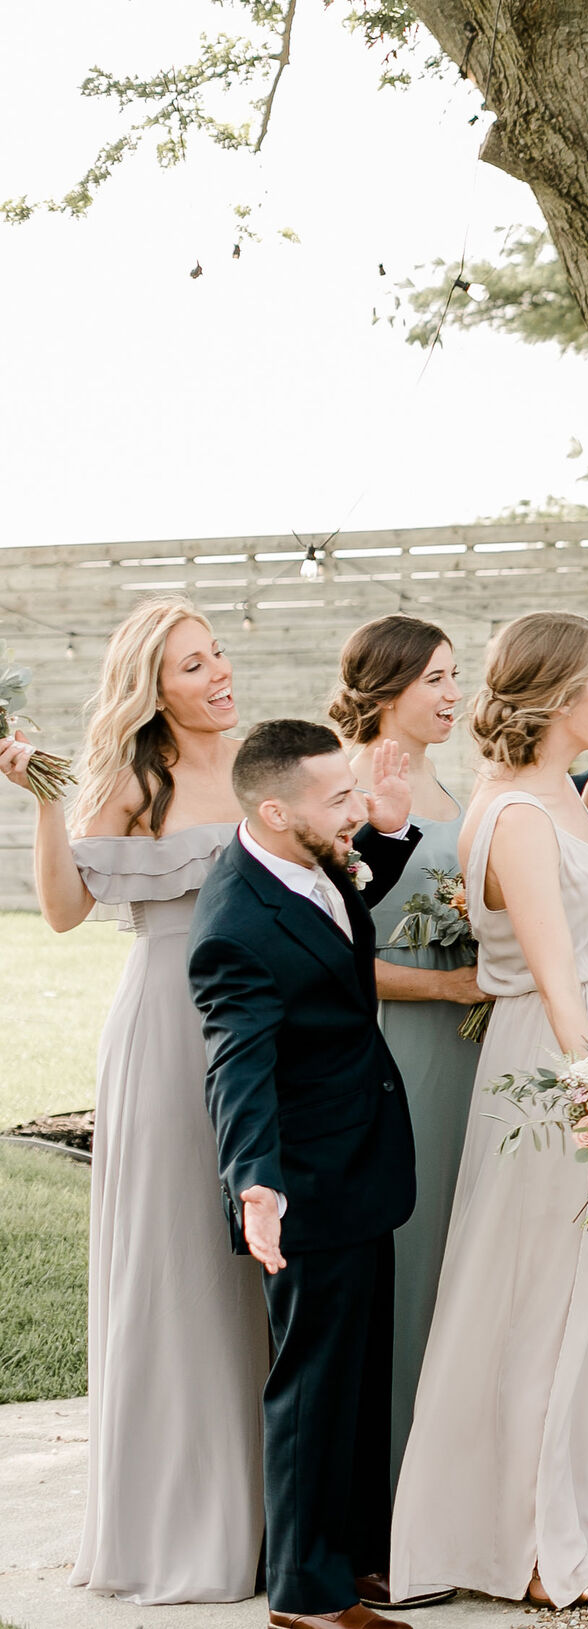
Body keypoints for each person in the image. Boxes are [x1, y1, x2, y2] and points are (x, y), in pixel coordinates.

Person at [388, 613, 588, 1607]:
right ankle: (532, 1540)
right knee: (551, 1302)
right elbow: (556, 976)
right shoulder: (511, 814)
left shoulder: (550, 791)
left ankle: (584, 1523)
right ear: (559, 699)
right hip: (567, 1065)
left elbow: (585, 878)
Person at [2, 599, 267, 1604]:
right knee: (180, 1264)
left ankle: (267, 1512)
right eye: (193, 665)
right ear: (152, 688)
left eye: (219, 654)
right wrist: (40, 798)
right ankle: (180, 1528)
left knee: (260, 1270)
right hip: (168, 1028)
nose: (218, 674)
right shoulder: (127, 777)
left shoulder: (254, 761)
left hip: (266, 1028)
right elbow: (68, 909)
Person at [190, 718, 425, 1629]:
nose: (355, 810)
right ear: (277, 808)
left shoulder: (309, 855)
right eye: (340, 799)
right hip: (306, 1182)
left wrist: (389, 836)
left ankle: (357, 1555)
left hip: (361, 1160)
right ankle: (306, 1594)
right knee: (312, 1387)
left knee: (361, 1377)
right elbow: (235, 1062)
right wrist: (255, 1180)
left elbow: (335, 939)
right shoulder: (236, 928)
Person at [327, 614, 491, 1491]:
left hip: (468, 1053)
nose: (452, 694)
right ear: (384, 687)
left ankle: (449, 1480)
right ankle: (387, 1490)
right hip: (401, 1055)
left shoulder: (453, 784)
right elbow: (337, 956)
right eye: (433, 678)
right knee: (409, 1260)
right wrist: (449, 987)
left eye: (454, 675)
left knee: (459, 1262)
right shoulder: (350, 789)